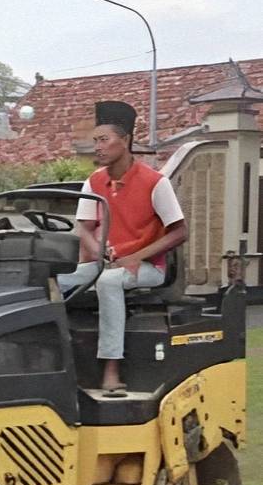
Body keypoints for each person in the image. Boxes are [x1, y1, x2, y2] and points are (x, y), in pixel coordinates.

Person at [57, 100, 186, 395]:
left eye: (104, 140)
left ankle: (111, 369)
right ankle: (59, 358)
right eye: (95, 141)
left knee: (108, 281)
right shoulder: (94, 182)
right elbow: (84, 229)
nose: (98, 147)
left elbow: (180, 232)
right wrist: (100, 251)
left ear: (125, 140)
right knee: (55, 283)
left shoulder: (156, 183)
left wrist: (134, 257)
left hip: (149, 267)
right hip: (106, 262)